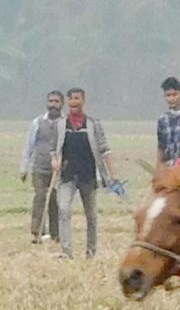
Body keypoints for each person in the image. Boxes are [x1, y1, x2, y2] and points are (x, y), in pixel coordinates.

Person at [52, 87, 120, 260]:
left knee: (91, 215)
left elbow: (105, 149)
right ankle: (66, 252)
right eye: (71, 99)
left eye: (77, 98)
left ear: (83, 101)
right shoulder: (60, 124)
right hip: (67, 176)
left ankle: (91, 251)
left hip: (88, 176)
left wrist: (113, 173)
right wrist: (55, 160)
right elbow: (55, 149)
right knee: (64, 210)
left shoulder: (93, 124)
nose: (73, 102)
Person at [20, 91, 64, 243]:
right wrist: (24, 168)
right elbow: (29, 145)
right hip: (39, 167)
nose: (53, 104)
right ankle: (37, 232)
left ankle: (55, 234)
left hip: (58, 169)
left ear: (61, 104)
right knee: (39, 198)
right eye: (51, 101)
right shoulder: (38, 122)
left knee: (54, 200)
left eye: (56, 101)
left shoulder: (65, 123)